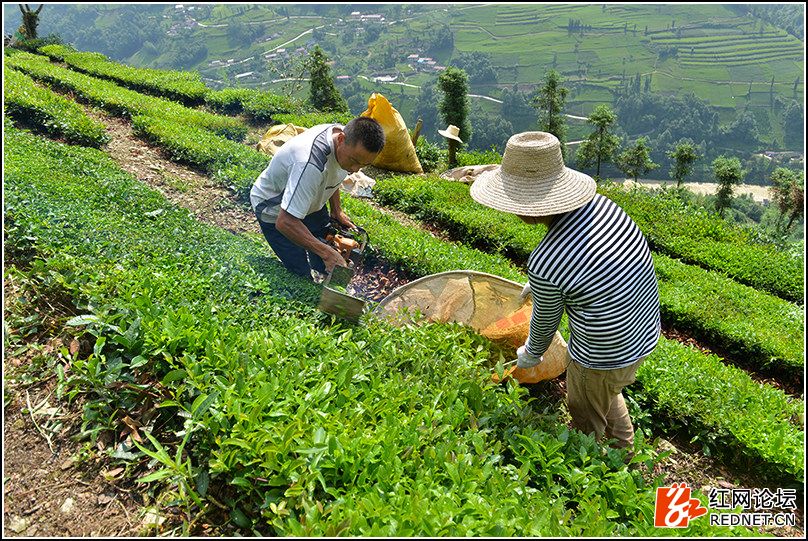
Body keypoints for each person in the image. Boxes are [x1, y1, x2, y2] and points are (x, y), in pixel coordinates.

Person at [470, 131, 661, 449]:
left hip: (602, 354)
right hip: (642, 332)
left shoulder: (548, 260)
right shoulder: (605, 208)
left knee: (584, 409)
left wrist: (529, 355)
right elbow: (596, 264)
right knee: (606, 391)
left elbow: (544, 327)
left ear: (530, 204)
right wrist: (543, 284)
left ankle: (610, 466)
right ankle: (624, 442)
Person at [250, 117, 385, 280]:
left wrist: (337, 210)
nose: (355, 170)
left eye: (363, 165)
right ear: (341, 140)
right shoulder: (310, 164)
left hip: (309, 200)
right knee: (300, 273)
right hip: (273, 209)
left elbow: (333, 173)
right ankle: (310, 275)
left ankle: (323, 267)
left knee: (326, 249)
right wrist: (326, 253)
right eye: (354, 161)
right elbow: (284, 221)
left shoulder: (346, 138)